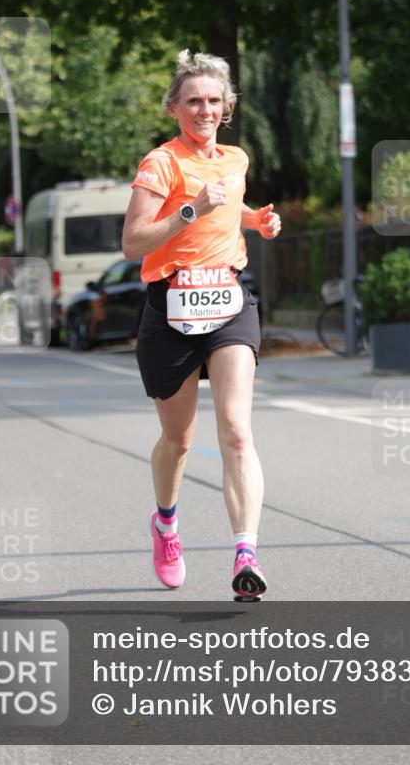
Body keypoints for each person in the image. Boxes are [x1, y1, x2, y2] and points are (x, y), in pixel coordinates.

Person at [122, 50, 281, 598]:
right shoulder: (160, 164)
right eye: (193, 101)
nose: (204, 110)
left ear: (227, 107)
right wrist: (189, 208)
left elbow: (228, 202)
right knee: (180, 439)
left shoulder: (234, 160)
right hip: (171, 308)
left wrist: (255, 219)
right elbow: (133, 241)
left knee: (237, 430)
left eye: (214, 101)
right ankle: (166, 523)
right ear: (174, 109)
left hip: (229, 301)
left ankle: (246, 554)